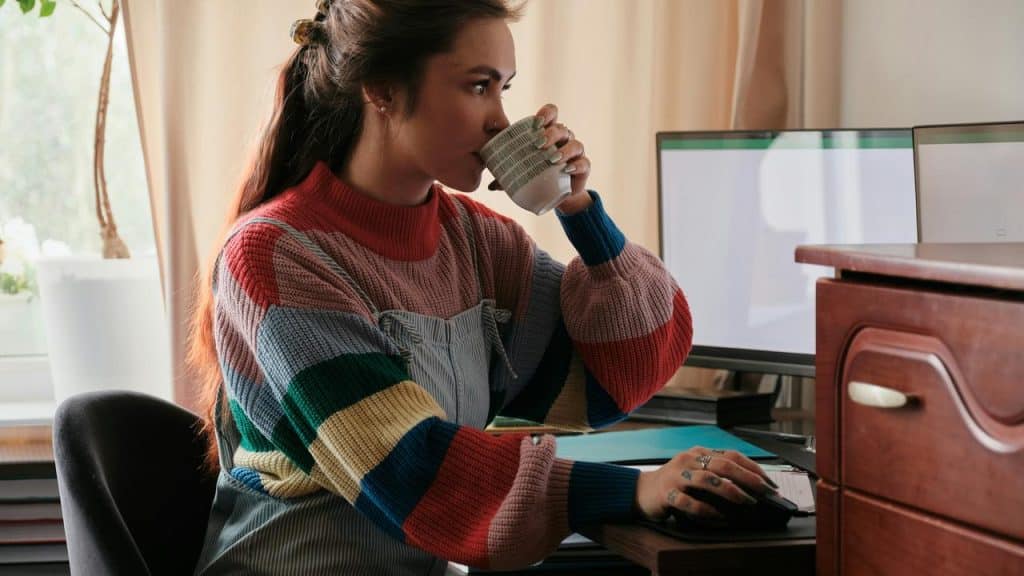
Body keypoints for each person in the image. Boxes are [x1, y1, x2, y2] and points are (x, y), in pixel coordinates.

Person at [188, 0, 778, 574]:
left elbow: (617, 378)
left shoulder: (477, 243)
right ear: (383, 89)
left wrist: (580, 212)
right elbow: (407, 466)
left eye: (505, 89)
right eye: (478, 86)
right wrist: (637, 488)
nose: (501, 119)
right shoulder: (274, 255)